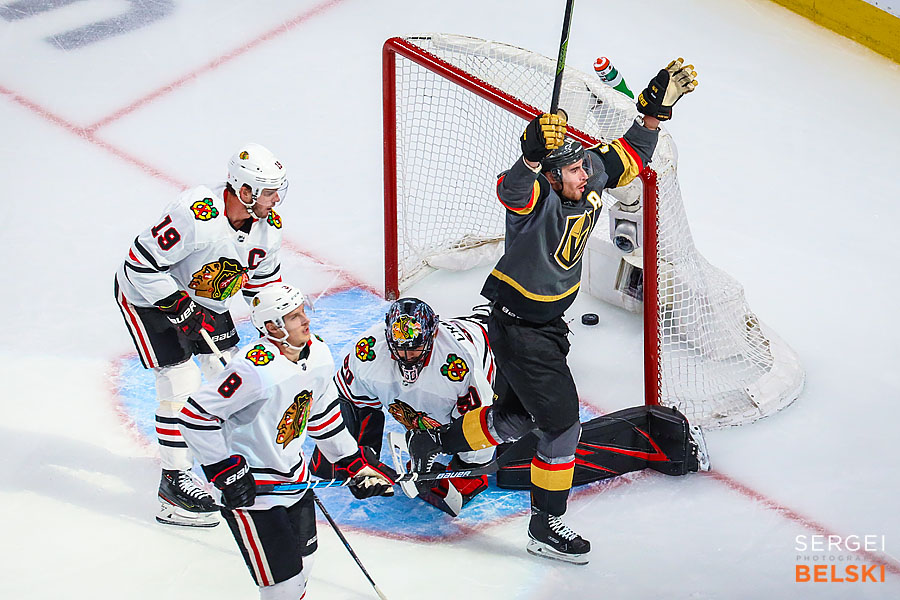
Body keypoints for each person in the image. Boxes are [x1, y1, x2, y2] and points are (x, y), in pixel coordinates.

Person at [406, 59, 701, 564]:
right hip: (521, 329)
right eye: (572, 169)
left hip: (543, 325)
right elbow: (510, 189)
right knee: (562, 426)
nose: (584, 176)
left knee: (516, 416)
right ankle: (546, 524)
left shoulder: (585, 179)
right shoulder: (536, 196)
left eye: (585, 167)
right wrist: (529, 157)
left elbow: (629, 153)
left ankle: (432, 442)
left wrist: (654, 113)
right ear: (550, 173)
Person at [177, 283, 395, 600]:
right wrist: (223, 471)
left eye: (303, 312)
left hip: (295, 481)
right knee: (284, 587)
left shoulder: (318, 352)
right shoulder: (253, 369)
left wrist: (353, 465)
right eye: (294, 317)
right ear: (272, 327)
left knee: (303, 570)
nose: (305, 321)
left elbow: (323, 415)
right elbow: (195, 416)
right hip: (253, 493)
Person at [114, 143, 289, 527]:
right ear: (245, 191)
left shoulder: (267, 228)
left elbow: (263, 286)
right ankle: (173, 486)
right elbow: (138, 264)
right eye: (270, 190)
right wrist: (178, 306)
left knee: (231, 378)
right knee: (181, 380)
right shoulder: (196, 215)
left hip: (207, 297)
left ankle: (224, 461)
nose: (278, 198)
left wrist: (276, 323)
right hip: (149, 296)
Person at [310, 298, 496, 516]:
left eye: (415, 349)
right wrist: (352, 455)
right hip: (449, 352)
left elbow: (482, 422)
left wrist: (468, 470)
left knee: (480, 432)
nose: (407, 358)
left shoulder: (461, 365)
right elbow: (346, 397)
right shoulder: (368, 348)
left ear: (433, 336)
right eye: (400, 350)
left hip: (489, 345)